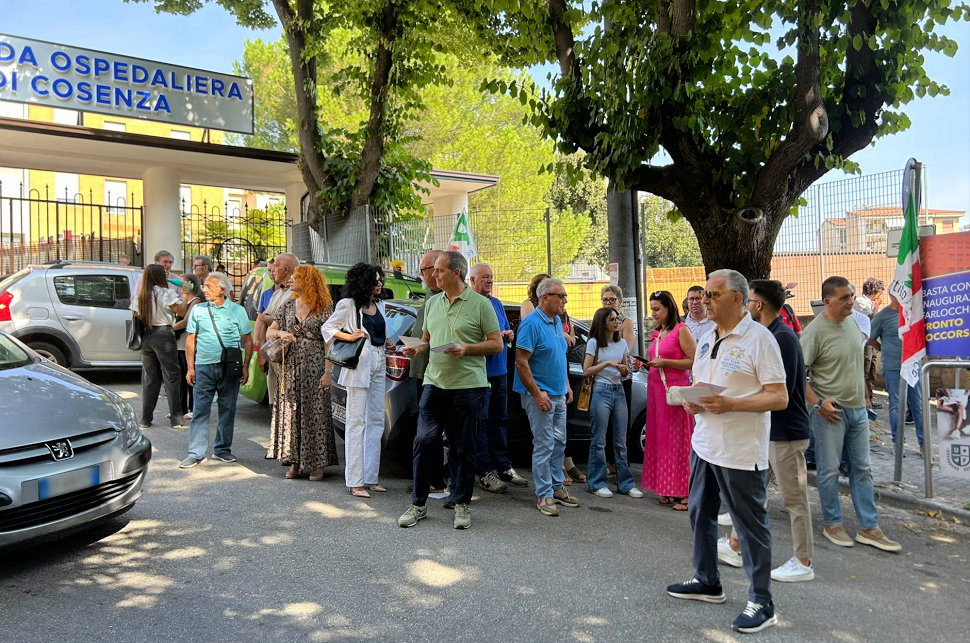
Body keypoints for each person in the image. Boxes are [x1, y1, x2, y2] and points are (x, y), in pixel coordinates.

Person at [665, 269, 788, 634]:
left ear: (738, 298)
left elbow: (778, 396)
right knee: (700, 515)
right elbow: (703, 385)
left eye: (714, 294)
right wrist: (694, 403)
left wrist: (731, 404)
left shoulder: (760, 339)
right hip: (704, 445)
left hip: (739, 450)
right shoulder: (706, 337)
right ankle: (707, 580)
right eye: (704, 293)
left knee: (749, 526)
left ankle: (762, 602)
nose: (704, 299)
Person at [398, 251, 502, 529]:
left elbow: (496, 345)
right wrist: (415, 349)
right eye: (433, 271)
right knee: (423, 440)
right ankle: (418, 504)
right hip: (435, 382)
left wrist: (467, 349)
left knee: (463, 447)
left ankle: (461, 504)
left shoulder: (481, 304)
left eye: (440, 271)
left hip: (469, 386)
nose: (434, 275)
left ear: (456, 273)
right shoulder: (432, 303)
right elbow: (427, 341)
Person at [719, 280, 815, 583]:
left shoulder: (782, 337)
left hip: (786, 433)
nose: (746, 306)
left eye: (749, 301)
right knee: (753, 493)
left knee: (795, 500)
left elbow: (773, 389)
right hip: (770, 430)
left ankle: (803, 561)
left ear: (758, 305)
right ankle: (735, 545)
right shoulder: (770, 334)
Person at [801, 276, 901, 552]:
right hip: (830, 414)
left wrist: (866, 400)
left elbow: (855, 365)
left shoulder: (853, 323)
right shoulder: (814, 332)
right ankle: (832, 523)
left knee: (862, 469)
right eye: (845, 297)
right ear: (827, 301)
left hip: (858, 410)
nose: (851, 301)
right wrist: (818, 403)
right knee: (829, 470)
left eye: (853, 295)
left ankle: (869, 527)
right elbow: (796, 374)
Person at [322, 263, 395, 497]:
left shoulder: (380, 305)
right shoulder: (348, 305)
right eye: (375, 280)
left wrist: (388, 341)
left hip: (379, 360)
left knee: (376, 420)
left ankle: (371, 477)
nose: (380, 283)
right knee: (356, 422)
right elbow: (328, 328)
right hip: (359, 365)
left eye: (380, 279)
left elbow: (378, 334)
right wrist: (350, 335)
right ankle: (355, 481)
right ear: (363, 282)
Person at [514, 278, 581, 517]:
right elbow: (521, 363)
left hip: (558, 393)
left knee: (558, 444)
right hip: (539, 395)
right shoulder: (531, 324)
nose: (565, 300)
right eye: (560, 296)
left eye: (564, 296)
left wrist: (566, 387)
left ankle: (556, 487)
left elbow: (558, 358)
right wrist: (537, 393)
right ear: (545, 298)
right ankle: (544, 495)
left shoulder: (555, 322)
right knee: (544, 445)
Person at [269, 265, 338, 481]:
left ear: (307, 281)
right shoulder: (287, 305)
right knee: (291, 412)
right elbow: (271, 329)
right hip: (290, 367)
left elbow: (329, 341)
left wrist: (328, 371)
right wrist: (281, 333)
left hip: (315, 366)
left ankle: (317, 464)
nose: (290, 280)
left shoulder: (324, 306)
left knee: (316, 414)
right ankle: (295, 462)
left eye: (296, 277)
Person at [180, 272, 253, 468]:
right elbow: (190, 339)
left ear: (222, 290)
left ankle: (222, 449)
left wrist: (246, 367)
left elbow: (248, 340)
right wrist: (190, 367)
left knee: (227, 409)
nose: (204, 289)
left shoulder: (237, 311)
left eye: (209, 287)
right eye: (204, 286)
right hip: (203, 366)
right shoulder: (199, 310)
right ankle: (196, 453)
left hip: (229, 367)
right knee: (200, 411)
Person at [468, 263, 527, 493]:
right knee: (481, 423)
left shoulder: (497, 303)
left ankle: (504, 467)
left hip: (499, 371)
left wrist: (509, 335)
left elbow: (504, 334)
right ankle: (485, 471)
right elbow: (471, 336)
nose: (490, 281)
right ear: (472, 280)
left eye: (491, 277)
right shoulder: (470, 304)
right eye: (485, 277)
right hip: (480, 373)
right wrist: (494, 337)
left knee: (500, 420)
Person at [642, 290, 696, 510]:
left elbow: (693, 361)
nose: (653, 313)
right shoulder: (659, 333)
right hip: (656, 392)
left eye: (657, 309)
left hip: (674, 393)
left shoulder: (681, 330)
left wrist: (665, 362)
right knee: (660, 439)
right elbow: (657, 360)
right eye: (652, 309)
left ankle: (686, 491)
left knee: (679, 440)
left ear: (668, 308)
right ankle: (666, 487)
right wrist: (646, 365)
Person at [583, 306, 644, 498]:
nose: (617, 323)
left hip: (618, 390)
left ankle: (625, 483)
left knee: (621, 441)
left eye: (617, 319)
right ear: (603, 323)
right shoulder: (594, 343)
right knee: (599, 440)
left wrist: (627, 369)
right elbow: (586, 370)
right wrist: (608, 364)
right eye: (613, 320)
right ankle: (596, 482)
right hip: (601, 390)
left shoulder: (622, 344)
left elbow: (625, 371)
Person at [408, 249, 447, 492]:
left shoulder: (444, 299)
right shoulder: (430, 297)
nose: (421, 274)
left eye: (424, 269)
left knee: (430, 431)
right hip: (420, 370)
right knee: (425, 431)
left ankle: (433, 481)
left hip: (435, 374)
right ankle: (430, 479)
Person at [130, 264, 184, 429]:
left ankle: (145, 419)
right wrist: (187, 294)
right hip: (164, 335)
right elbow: (181, 311)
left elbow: (134, 314)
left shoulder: (141, 295)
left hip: (147, 335)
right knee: (172, 376)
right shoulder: (166, 293)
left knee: (150, 379)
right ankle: (176, 418)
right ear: (161, 277)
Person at [869, 293, 924, 453]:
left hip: (913, 366)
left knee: (917, 405)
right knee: (895, 405)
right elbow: (870, 338)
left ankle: (923, 445)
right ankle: (897, 443)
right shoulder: (882, 316)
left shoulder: (913, 312)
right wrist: (882, 349)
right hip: (893, 367)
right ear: (892, 295)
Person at [600, 284, 640, 481]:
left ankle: (620, 463)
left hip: (621, 377)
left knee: (620, 422)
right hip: (603, 377)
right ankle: (608, 462)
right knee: (604, 423)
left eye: (612, 299)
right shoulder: (599, 321)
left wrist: (608, 359)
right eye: (605, 300)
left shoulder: (626, 322)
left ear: (620, 302)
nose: (608, 303)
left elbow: (626, 350)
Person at [173, 273, 203, 422]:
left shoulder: (196, 301)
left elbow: (185, 322)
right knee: (181, 377)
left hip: (187, 344)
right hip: (180, 344)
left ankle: (193, 408)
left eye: (183, 283)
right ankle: (181, 408)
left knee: (190, 377)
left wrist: (169, 329)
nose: (180, 285)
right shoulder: (186, 300)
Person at [859, 277, 885, 411]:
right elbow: (870, 317)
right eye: (880, 292)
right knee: (865, 368)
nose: (881, 296)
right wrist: (877, 305)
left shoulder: (870, 302)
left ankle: (869, 397)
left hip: (871, 340)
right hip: (864, 341)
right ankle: (862, 399)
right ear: (875, 291)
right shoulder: (861, 302)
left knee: (872, 370)